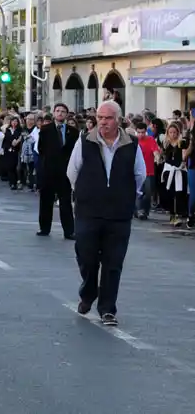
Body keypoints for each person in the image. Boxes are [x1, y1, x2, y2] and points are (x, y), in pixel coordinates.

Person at [67, 100, 145, 326]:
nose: (103, 122)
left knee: (113, 263)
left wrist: (127, 196)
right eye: (100, 117)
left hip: (118, 214)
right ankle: (88, 292)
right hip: (89, 212)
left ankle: (107, 309)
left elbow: (139, 175)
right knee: (87, 257)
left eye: (108, 118)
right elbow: (72, 172)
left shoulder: (131, 144)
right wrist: (86, 194)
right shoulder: (85, 141)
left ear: (118, 120)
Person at [36, 103, 79, 239]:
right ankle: (44, 228)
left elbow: (75, 151)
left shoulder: (73, 132)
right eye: (58, 111)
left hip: (65, 171)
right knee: (46, 200)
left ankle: (69, 230)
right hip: (49, 170)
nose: (60, 113)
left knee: (65, 202)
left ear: (67, 114)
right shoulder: (45, 129)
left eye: (63, 111)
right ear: (54, 113)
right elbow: (41, 149)